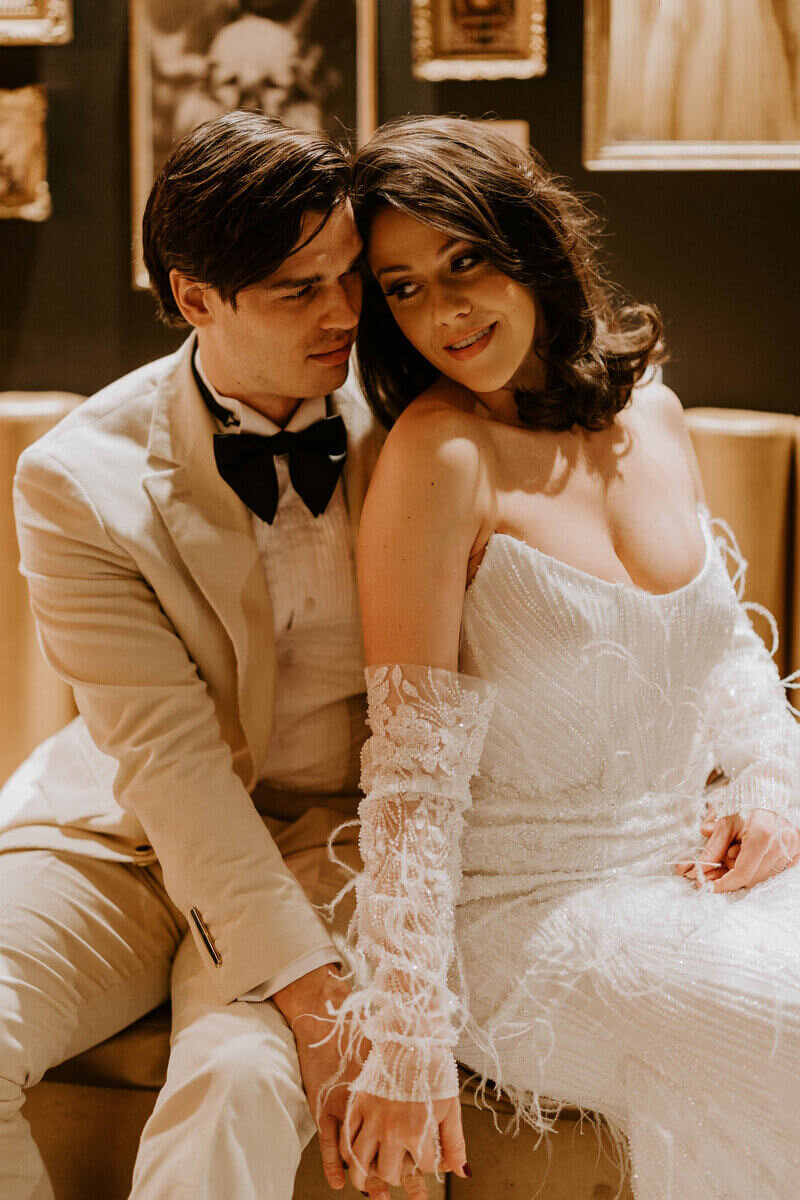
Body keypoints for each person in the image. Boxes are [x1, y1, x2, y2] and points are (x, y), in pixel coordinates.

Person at [317, 116, 800, 1200]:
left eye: (463, 260)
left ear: (528, 244)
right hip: (524, 920)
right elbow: (407, 780)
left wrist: (770, 792)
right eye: (399, 288)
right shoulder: (438, 456)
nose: (441, 311)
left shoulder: (653, 415)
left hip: (691, 879)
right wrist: (403, 1032)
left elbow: (724, 651)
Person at [0, 110, 388, 1199]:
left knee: (232, 1083)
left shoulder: (419, 424)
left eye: (350, 273)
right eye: (297, 289)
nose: (345, 312)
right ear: (192, 298)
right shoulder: (75, 478)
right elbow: (168, 761)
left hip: (330, 834)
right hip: (119, 833)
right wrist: (314, 999)